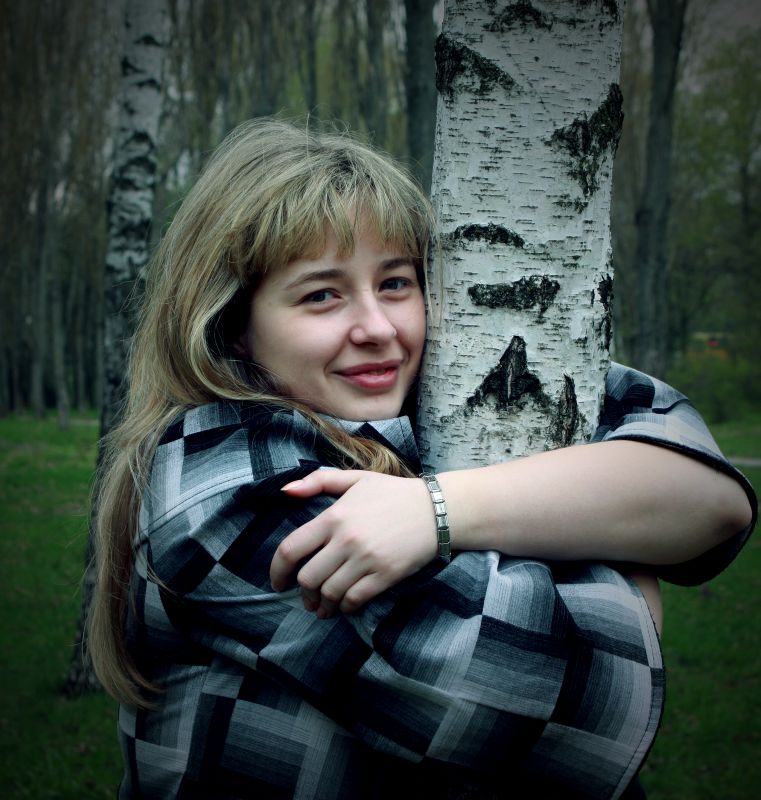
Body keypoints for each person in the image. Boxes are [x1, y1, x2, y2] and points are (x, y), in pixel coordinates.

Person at [87, 119, 755, 800]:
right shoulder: (223, 485)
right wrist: (626, 548)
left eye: (396, 283)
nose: (378, 328)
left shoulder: (453, 384)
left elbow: (714, 502)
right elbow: (574, 696)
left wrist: (438, 509)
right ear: (231, 325)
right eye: (321, 294)